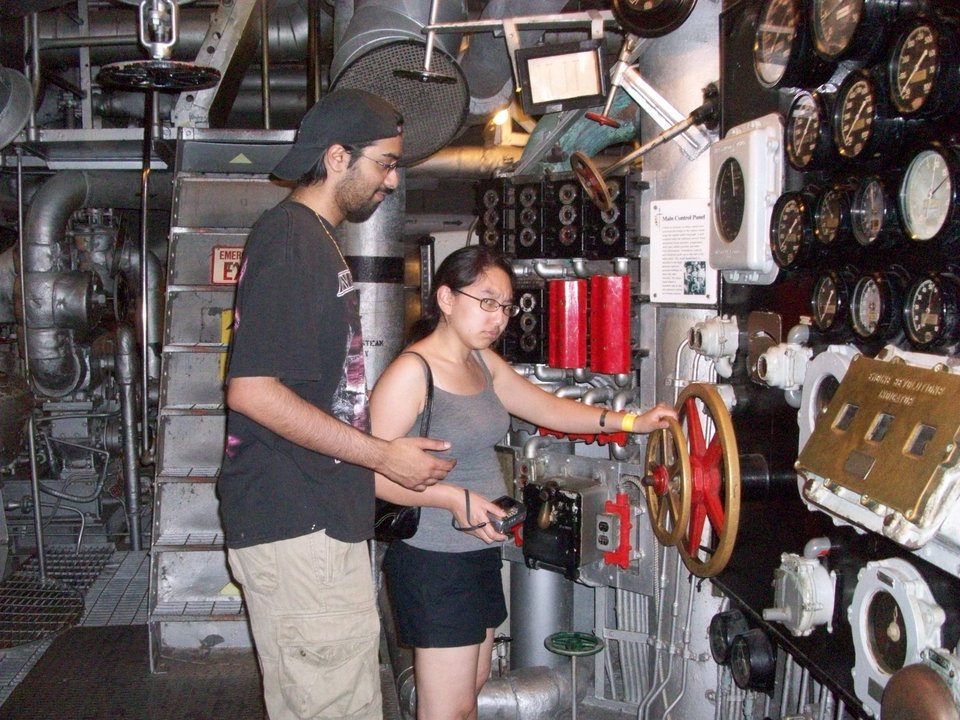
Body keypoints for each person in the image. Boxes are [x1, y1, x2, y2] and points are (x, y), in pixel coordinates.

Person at [219, 88, 456, 720]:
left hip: (316, 523)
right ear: (336, 157)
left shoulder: (313, 240)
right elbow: (254, 391)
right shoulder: (291, 239)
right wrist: (382, 455)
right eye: (385, 163)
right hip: (300, 525)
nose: (391, 180)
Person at [369, 245, 678, 720]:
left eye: (506, 306)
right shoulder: (412, 373)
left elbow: (545, 407)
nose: (498, 318)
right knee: (445, 710)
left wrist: (630, 421)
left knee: (469, 696)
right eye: (486, 302)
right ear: (446, 299)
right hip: (434, 559)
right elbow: (370, 473)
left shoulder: (481, 362)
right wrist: (451, 498)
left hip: (478, 551)